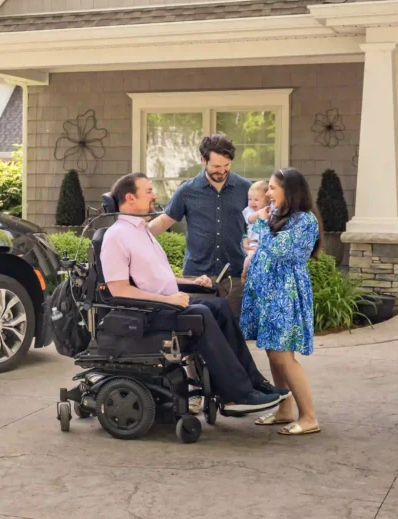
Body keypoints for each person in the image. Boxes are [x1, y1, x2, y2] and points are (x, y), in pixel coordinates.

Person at [101, 172, 290, 414]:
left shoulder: (141, 231)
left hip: (167, 304)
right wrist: (167, 299)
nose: (154, 195)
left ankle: (256, 383)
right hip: (148, 312)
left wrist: (189, 281)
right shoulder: (116, 236)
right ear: (130, 197)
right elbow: (119, 289)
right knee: (201, 313)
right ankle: (236, 395)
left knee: (220, 307)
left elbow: (157, 277)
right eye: (148, 191)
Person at [240, 168, 322, 436]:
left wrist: (261, 225)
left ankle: (309, 416)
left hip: (284, 295)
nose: (267, 194)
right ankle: (285, 409)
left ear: (290, 191)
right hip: (267, 293)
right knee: (273, 353)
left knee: (283, 356)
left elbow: (279, 251)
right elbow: (258, 243)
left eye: (273, 188)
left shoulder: (304, 221)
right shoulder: (277, 215)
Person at [149, 134, 251, 316]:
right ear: (203, 160)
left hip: (234, 276)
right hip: (197, 277)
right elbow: (165, 220)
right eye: (216, 166)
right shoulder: (188, 190)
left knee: (234, 336)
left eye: (226, 165)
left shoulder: (245, 188)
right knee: (198, 332)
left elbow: (260, 224)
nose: (222, 171)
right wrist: (132, 236)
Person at [242, 180, 270, 255]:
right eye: (250, 199)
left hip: (267, 243)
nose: (252, 202)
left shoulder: (270, 209)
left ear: (267, 201)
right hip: (253, 241)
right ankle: (245, 267)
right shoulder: (249, 210)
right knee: (251, 256)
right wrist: (259, 213)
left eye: (256, 200)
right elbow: (249, 219)